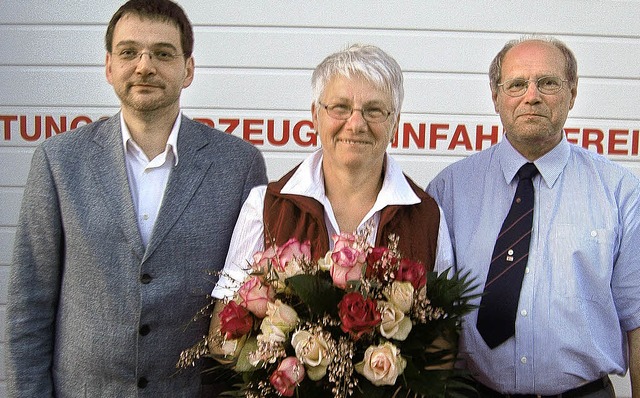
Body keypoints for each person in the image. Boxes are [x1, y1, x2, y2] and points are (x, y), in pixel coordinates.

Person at [4, 0, 267, 396]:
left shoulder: (239, 166)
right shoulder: (59, 161)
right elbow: (29, 306)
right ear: (109, 66)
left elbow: (248, 307)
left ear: (188, 70)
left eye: (163, 53)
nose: (145, 66)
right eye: (129, 52)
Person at [427, 36, 640, 397]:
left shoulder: (620, 192)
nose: (532, 96)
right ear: (496, 96)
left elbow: (637, 320)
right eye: (517, 84)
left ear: (572, 93)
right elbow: (432, 317)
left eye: (548, 82)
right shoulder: (449, 191)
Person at [210, 43, 453, 317]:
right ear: (315, 115)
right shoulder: (265, 207)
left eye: (374, 110)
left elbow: (444, 337)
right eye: (340, 107)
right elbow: (222, 331)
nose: (356, 124)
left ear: (395, 124)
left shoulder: (428, 216)